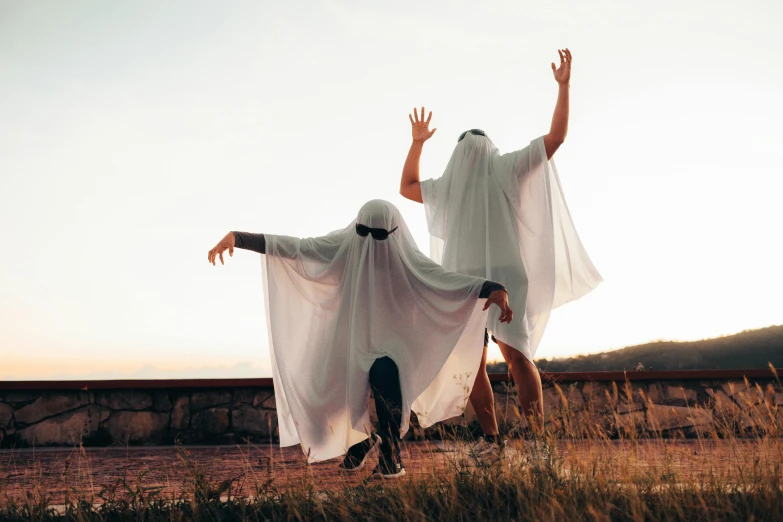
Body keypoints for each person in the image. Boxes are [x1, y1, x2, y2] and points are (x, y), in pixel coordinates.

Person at [207, 199, 514, 478]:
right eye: (364, 233)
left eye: (378, 236)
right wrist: (238, 238)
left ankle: (390, 457)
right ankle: (362, 440)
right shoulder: (343, 246)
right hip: (348, 338)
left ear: (393, 233)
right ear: (356, 229)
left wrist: (494, 288)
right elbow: (297, 247)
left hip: (394, 345)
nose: (370, 243)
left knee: (386, 381)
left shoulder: (408, 261)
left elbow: (446, 282)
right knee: (319, 398)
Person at [399, 49, 602, 452]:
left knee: (476, 362)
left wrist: (417, 143)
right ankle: (534, 441)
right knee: (517, 355)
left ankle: (494, 441)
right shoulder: (504, 167)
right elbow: (557, 138)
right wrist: (563, 87)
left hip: (465, 280)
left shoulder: (449, 186)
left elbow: (406, 187)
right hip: (506, 276)